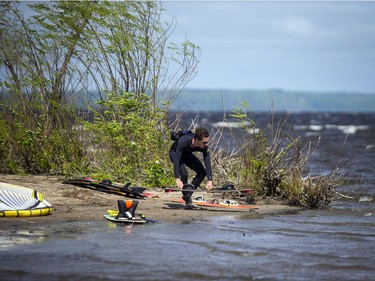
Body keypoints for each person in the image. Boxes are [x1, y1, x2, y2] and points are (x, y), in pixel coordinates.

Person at [169, 127, 213, 207]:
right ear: (196, 140)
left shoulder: (204, 147)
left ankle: (187, 195)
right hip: (175, 155)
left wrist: (210, 180)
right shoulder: (184, 141)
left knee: (202, 173)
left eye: (207, 142)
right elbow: (177, 159)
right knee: (184, 174)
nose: (206, 144)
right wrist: (177, 178)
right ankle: (187, 197)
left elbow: (207, 162)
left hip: (187, 155)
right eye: (204, 142)